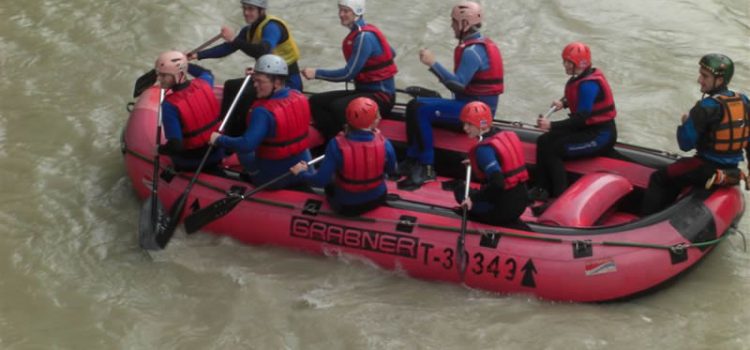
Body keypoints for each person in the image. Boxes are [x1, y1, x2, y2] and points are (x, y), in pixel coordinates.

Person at [398, 1, 504, 189]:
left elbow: (458, 86)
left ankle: (426, 167)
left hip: (475, 113)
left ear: (465, 24)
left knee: (420, 109)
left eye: (454, 22)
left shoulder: (473, 51)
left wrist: (432, 64)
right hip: (473, 106)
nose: (451, 26)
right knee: (415, 105)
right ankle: (412, 159)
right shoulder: (479, 45)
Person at [641, 53, 749, 215]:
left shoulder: (705, 107)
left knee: (659, 178)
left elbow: (685, 144)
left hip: (705, 168)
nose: (699, 80)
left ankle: (645, 220)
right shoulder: (744, 101)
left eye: (705, 76)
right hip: (732, 167)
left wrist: (685, 123)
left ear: (719, 80)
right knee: (678, 175)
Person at [190, 0, 302, 137]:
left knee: (246, 95)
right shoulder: (248, 30)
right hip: (266, 78)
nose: (246, 13)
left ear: (261, 11)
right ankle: (223, 127)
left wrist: (234, 40)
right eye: (244, 8)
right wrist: (197, 55)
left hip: (286, 81)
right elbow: (228, 48)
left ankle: (236, 137)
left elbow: (262, 51)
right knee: (231, 85)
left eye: (250, 9)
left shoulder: (272, 27)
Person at [529, 42, 617, 200]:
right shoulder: (583, 77)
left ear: (578, 64)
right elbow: (582, 101)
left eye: (567, 62)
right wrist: (564, 103)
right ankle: (541, 189)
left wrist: (551, 125)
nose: (564, 65)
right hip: (587, 129)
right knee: (543, 141)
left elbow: (580, 119)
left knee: (554, 150)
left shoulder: (589, 85)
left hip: (600, 135)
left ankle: (559, 197)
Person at [210, 54, 312, 189]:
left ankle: (251, 176)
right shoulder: (299, 96)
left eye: (260, 81)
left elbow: (247, 145)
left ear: (276, 83)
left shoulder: (262, 112)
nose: (255, 85)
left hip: (273, 178)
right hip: (303, 168)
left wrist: (219, 139)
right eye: (254, 80)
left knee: (243, 150)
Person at [301, 0, 398, 141]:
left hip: (381, 97)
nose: (341, 14)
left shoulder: (364, 37)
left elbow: (348, 73)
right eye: (340, 10)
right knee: (316, 101)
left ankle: (348, 144)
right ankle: (332, 141)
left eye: (346, 11)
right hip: (365, 92)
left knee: (338, 107)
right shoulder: (364, 32)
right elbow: (392, 53)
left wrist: (316, 73)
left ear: (357, 12)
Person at [290, 97, 397, 216]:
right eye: (377, 116)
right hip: (378, 198)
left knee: (331, 181)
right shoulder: (385, 143)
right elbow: (391, 170)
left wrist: (301, 173)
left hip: (346, 205)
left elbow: (320, 181)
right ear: (371, 122)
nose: (380, 118)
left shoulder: (336, 145)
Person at [453, 101, 529, 225]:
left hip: (502, 210)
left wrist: (472, 199)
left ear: (481, 125)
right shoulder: (500, 133)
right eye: (464, 123)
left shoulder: (483, 150)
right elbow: (501, 161)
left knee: (460, 191)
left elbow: (498, 183)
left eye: (469, 124)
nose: (464, 128)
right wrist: (477, 162)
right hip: (521, 200)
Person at [155, 51, 225, 172]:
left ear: (178, 75)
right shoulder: (205, 83)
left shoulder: (169, 105)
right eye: (159, 74)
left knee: (170, 154)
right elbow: (206, 73)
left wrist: (159, 149)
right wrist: (186, 64)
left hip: (191, 161)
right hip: (217, 151)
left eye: (164, 75)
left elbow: (176, 146)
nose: (159, 79)